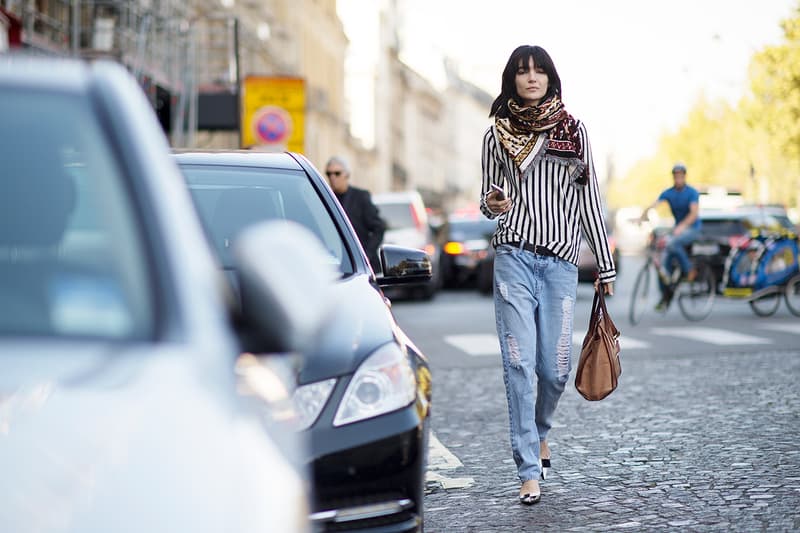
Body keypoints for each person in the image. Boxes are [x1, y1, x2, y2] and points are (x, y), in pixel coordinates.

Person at [481, 45, 616, 506]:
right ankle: (527, 469)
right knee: (519, 363)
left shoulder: (574, 132)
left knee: (555, 370)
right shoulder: (495, 134)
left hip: (560, 263)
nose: (532, 77)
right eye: (523, 71)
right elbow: (486, 198)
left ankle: (540, 432)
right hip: (513, 257)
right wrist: (494, 203)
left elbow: (590, 200)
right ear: (512, 80)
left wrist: (605, 264)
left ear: (551, 77)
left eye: (539, 70)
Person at [640, 162, 702, 311]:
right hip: (677, 230)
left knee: (673, 244)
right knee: (663, 267)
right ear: (673, 177)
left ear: (684, 177)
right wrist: (642, 215)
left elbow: (694, 214)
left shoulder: (692, 192)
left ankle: (689, 270)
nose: (678, 178)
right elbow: (654, 204)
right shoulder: (669, 193)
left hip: (692, 229)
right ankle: (665, 297)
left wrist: (682, 226)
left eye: (681, 175)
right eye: (676, 176)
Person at [324, 156, 385, 271]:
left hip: (364, 266)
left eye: (337, 173)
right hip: (337, 265)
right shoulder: (326, 199)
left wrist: (366, 254)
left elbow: (379, 227)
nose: (332, 177)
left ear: (347, 175)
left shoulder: (361, 197)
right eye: (329, 174)